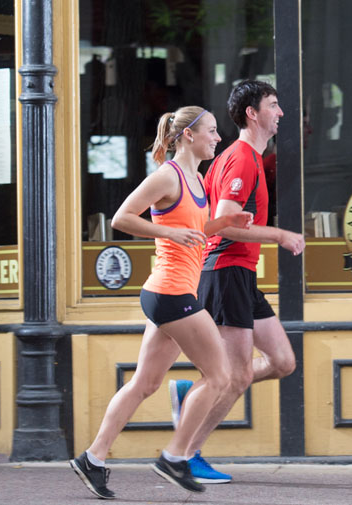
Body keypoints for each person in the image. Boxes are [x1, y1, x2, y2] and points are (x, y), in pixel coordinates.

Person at [69, 106, 253, 499]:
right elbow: (122, 217)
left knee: (145, 383)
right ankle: (174, 457)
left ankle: (93, 458)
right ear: (188, 135)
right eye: (211, 131)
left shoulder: (197, 179)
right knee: (221, 377)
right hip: (171, 293)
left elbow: (194, 229)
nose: (217, 138)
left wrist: (224, 225)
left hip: (171, 292)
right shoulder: (168, 175)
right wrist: (169, 232)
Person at [166, 80, 306, 484]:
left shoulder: (244, 158)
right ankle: (186, 455)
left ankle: (191, 395)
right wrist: (279, 235)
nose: (280, 113)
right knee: (236, 375)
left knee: (282, 362)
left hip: (239, 275)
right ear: (252, 112)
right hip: (225, 270)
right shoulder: (242, 159)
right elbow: (225, 224)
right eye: (274, 105)